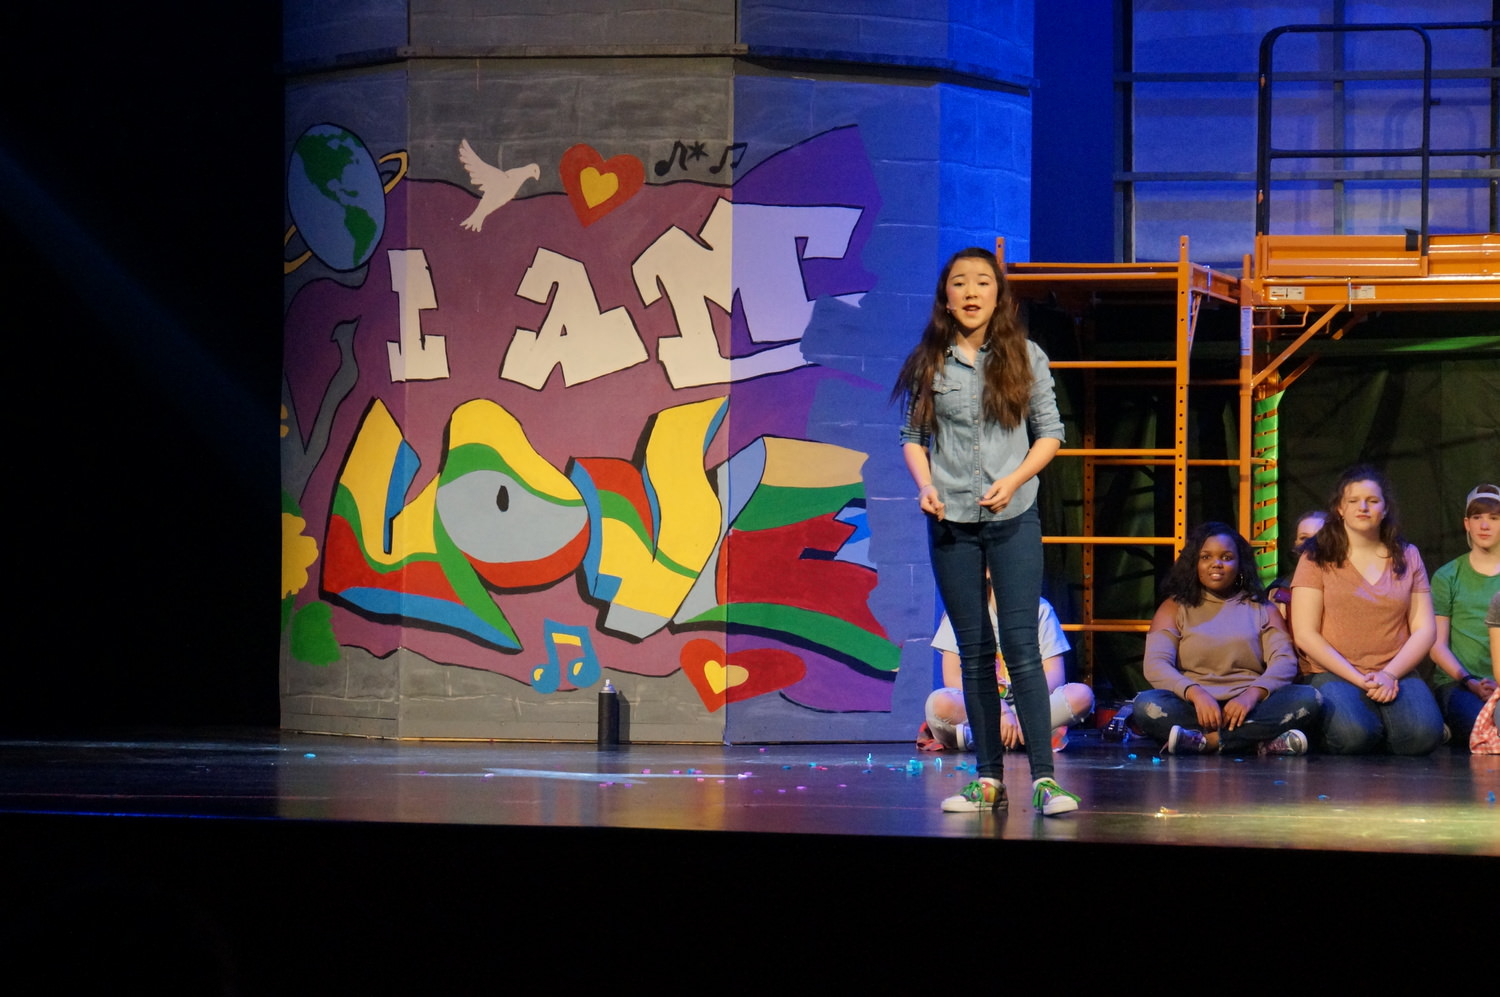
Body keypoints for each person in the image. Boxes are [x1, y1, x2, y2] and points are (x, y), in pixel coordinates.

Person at [894, 247, 1078, 816]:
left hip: (1013, 514)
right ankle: (988, 779)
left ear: (999, 295)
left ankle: (1045, 781)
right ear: (945, 295)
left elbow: (1050, 433)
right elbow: (912, 436)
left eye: (982, 282)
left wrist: (1015, 477)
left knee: (1020, 645)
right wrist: (925, 485)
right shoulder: (932, 361)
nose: (971, 292)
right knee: (974, 651)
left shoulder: (1026, 357)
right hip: (950, 519)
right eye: (959, 283)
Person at [1290, 466, 1442, 754]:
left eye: (1372, 501)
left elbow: (1425, 629)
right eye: (1353, 501)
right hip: (1334, 670)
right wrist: (1359, 679)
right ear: (1339, 509)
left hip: (1394, 669)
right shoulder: (1316, 556)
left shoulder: (1408, 555)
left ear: (1385, 508)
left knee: (1423, 736)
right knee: (1354, 736)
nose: (1363, 507)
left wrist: (1390, 675)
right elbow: (1306, 634)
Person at [1136, 523, 1319, 755]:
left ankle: (1208, 742)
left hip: (1251, 707)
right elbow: (1155, 664)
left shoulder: (1262, 607)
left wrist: (1250, 696)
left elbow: (1284, 662)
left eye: (1227, 557)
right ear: (1195, 564)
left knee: (1309, 699)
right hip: (1193, 706)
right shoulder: (1173, 607)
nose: (1217, 564)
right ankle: (1256, 742)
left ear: (1240, 564)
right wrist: (1196, 693)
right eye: (1206, 557)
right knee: (1146, 706)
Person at [922, 595, 1094, 753]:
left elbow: (1055, 674)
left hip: (1027, 708)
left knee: (1081, 695)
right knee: (939, 704)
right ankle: (1024, 737)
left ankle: (985, 739)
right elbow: (952, 678)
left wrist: (1022, 711)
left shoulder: (1039, 608)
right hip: (982, 707)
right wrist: (999, 710)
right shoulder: (963, 608)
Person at [1427, 484, 1500, 746]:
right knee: (1486, 727)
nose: (1485, 525)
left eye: (1494, 518)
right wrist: (1469, 681)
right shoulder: (1448, 576)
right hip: (1459, 684)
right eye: (1478, 518)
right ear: (1467, 524)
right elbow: (1436, 645)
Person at [1267, 509, 1326, 620]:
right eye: (1304, 538)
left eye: (1320, 537)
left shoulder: (1350, 583)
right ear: (1295, 544)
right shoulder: (1282, 588)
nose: (1311, 544)